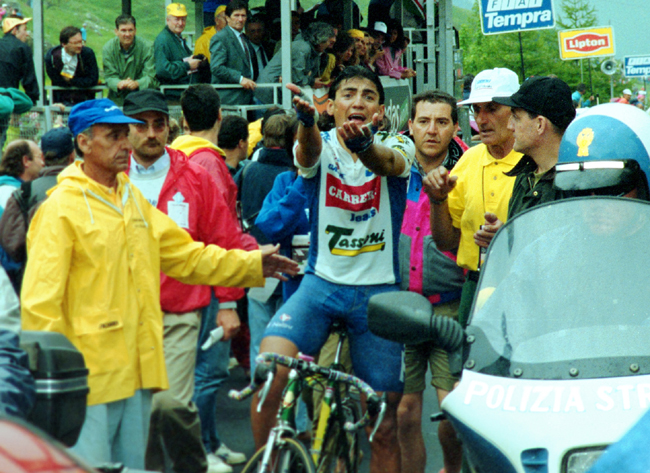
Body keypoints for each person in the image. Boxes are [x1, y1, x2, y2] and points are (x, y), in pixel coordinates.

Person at [20, 98, 298, 471]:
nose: (126, 143)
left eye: (125, 133)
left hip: (135, 371)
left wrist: (249, 264)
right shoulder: (60, 210)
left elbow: (186, 256)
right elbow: (40, 306)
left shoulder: (129, 198)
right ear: (83, 143)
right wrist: (50, 385)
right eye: (114, 135)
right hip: (88, 381)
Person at [251, 66, 416, 473]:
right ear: (333, 105)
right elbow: (307, 155)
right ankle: (268, 464)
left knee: (383, 422)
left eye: (367, 95)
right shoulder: (317, 142)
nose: (357, 101)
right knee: (266, 374)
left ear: (380, 108)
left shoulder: (398, 142)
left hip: (378, 296)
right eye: (347, 94)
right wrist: (306, 123)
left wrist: (363, 149)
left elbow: (386, 163)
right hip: (320, 286)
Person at [122, 89, 243, 473]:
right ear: (126, 131)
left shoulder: (194, 175)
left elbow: (223, 237)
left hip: (179, 308)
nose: (151, 133)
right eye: (141, 125)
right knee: (136, 413)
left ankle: (193, 464)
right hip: (121, 311)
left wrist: (226, 304)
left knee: (168, 403)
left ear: (171, 126)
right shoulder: (109, 176)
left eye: (159, 124)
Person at [169, 84, 258, 470]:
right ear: (220, 117)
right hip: (208, 279)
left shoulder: (177, 159)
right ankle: (200, 449)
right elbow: (219, 232)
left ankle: (210, 441)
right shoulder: (208, 165)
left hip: (190, 275)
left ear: (183, 119)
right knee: (207, 372)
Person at [397, 91, 466, 473]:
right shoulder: (394, 172)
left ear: (455, 127)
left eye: (442, 122)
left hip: (448, 306)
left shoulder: (468, 171)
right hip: (402, 307)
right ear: (410, 126)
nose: (432, 130)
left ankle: (451, 470)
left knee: (452, 414)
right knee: (405, 413)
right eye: (423, 121)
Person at [423, 67, 522, 327]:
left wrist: (508, 238)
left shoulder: (534, 162)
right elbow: (445, 241)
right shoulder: (469, 160)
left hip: (524, 288)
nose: (482, 119)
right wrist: (437, 201)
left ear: (516, 111)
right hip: (475, 285)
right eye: (476, 110)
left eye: (492, 108)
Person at [0, 127, 75, 292]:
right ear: (73, 156)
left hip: (33, 286)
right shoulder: (86, 189)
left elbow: (12, 244)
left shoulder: (24, 193)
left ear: (43, 157)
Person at [491, 76, 576, 219]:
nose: (509, 126)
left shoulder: (574, 184)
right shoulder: (526, 175)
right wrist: (507, 234)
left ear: (540, 125)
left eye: (516, 118)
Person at [256, 21, 336, 104]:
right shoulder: (303, 48)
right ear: (320, 39)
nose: (330, 46)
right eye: (329, 42)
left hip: (275, 92)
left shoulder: (311, 50)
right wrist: (312, 82)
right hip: (267, 92)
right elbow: (298, 78)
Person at [102, 14, 158, 105]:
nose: (127, 34)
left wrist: (137, 83)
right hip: (117, 101)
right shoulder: (108, 48)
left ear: (135, 31)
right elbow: (109, 76)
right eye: (123, 30)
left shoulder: (147, 47)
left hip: (142, 99)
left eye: (130, 30)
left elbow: (151, 76)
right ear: (116, 31)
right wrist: (118, 83)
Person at [210, 0, 257, 106]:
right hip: (229, 101)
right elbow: (216, 67)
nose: (240, 19)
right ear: (227, 18)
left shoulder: (244, 38)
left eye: (243, 16)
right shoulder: (220, 38)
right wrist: (240, 79)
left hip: (246, 98)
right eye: (236, 15)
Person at [154, 3, 205, 101]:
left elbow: (181, 61)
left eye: (183, 19)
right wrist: (187, 65)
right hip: (173, 96)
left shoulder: (178, 38)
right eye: (176, 19)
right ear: (168, 20)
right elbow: (162, 70)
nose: (180, 23)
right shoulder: (163, 40)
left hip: (184, 94)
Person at [44, 26, 99, 105]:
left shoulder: (87, 54)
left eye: (81, 42)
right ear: (64, 44)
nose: (80, 45)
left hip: (85, 102)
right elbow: (56, 80)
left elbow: (93, 80)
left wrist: (71, 80)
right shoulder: (53, 57)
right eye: (75, 43)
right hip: (60, 102)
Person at [0, 16, 38, 105]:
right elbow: (29, 79)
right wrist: (33, 99)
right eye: (24, 30)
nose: (27, 34)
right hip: (8, 100)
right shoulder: (22, 48)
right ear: (15, 30)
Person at [246, 15, 270, 81]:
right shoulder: (244, 51)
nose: (256, 34)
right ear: (246, 32)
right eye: (253, 31)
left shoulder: (269, 49)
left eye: (259, 31)